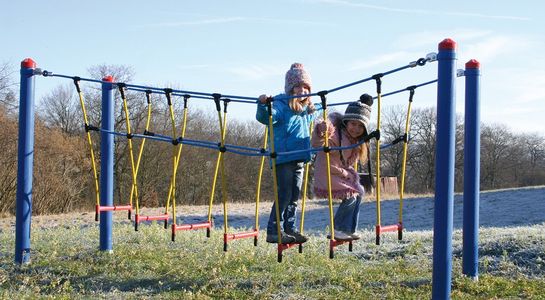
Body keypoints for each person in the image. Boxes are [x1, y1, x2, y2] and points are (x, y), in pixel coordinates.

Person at [256, 63, 322, 244]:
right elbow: (265, 117)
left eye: (306, 87)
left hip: (300, 157)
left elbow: (318, 113)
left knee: (294, 195)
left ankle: (290, 228)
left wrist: (322, 105)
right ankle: (273, 230)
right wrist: (262, 104)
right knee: (284, 194)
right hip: (283, 158)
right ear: (291, 89)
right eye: (299, 86)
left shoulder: (306, 110)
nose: (303, 90)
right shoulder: (280, 105)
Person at [311, 95, 373, 241]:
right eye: (353, 124)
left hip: (338, 173)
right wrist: (321, 130)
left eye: (360, 126)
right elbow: (317, 142)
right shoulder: (336, 135)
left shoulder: (354, 141)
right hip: (327, 172)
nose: (356, 129)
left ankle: (349, 229)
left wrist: (348, 174)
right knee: (351, 196)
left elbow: (346, 163)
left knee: (359, 192)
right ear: (346, 122)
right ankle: (338, 229)